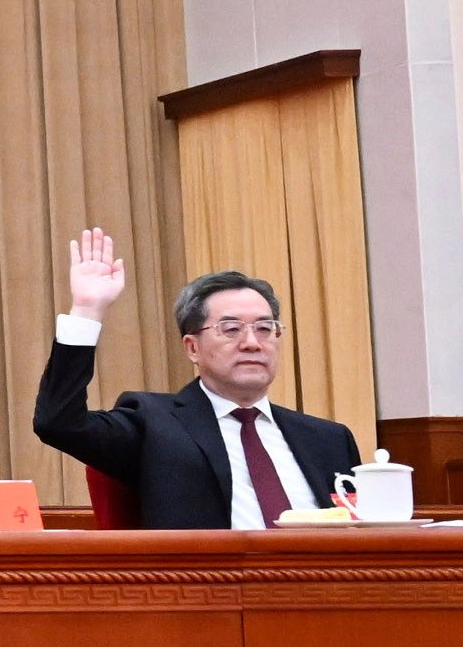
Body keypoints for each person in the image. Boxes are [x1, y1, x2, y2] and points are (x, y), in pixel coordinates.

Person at [34, 227, 357, 530]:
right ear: (192, 347)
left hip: (319, 584)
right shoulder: (153, 425)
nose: (252, 342)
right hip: (209, 587)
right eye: (231, 329)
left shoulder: (328, 439)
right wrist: (87, 310)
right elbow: (58, 422)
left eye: (264, 328)